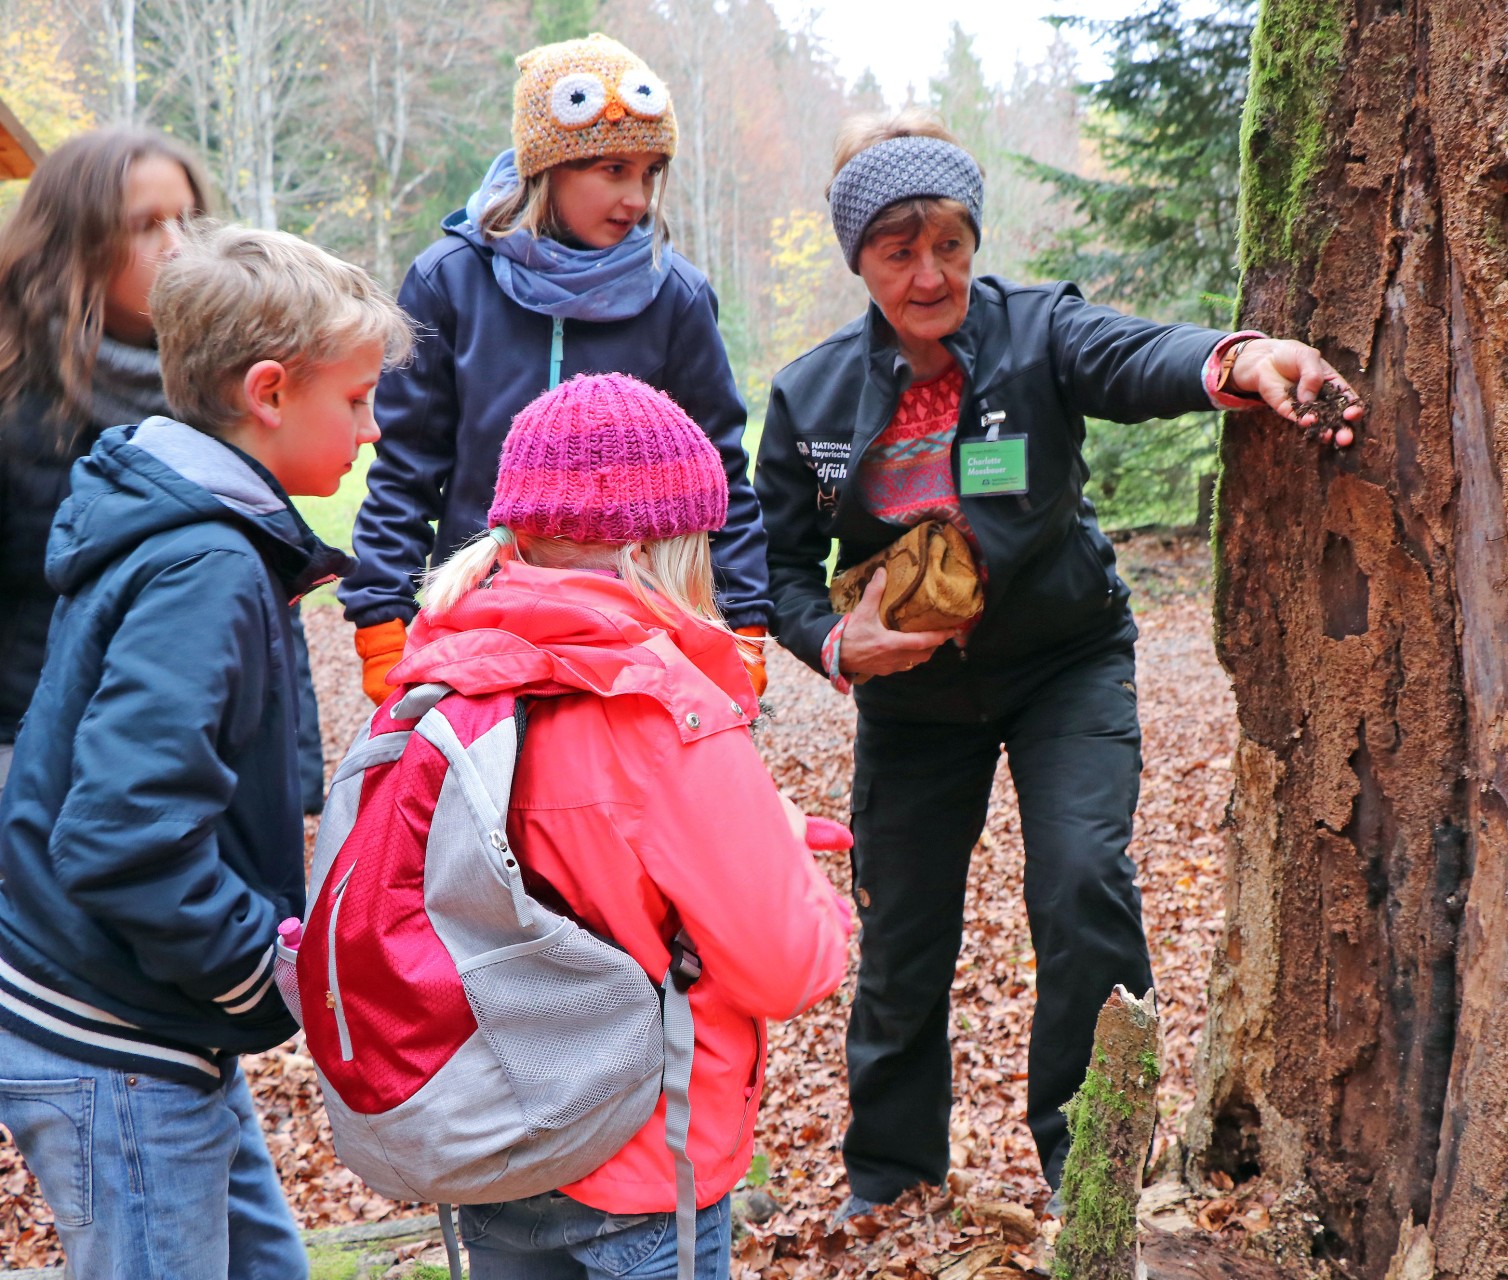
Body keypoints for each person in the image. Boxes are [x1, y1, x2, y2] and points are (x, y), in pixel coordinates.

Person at [752, 110, 1367, 1216]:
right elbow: (779, 566)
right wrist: (838, 644)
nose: (930, 273)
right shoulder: (813, 396)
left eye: (950, 243)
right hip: (914, 699)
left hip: (1063, 663)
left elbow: (1135, 356)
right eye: (899, 250)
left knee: (1082, 880)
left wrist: (1239, 358)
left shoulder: (1037, 333)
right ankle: (889, 1179)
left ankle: (1089, 1168)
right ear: (859, 260)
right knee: (903, 931)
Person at [0, 222, 413, 1279]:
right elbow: (124, 832)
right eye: (356, 399)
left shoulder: (192, 528)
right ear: (269, 392)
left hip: (158, 1019)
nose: (372, 432)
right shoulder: (205, 566)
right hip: (114, 1029)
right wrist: (258, 968)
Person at [387, 372, 852, 1279]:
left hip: (494, 1140)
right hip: (641, 1166)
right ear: (651, 550)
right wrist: (799, 876)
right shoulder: (667, 717)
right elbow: (790, 965)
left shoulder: (442, 679)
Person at [342, 31, 774, 706]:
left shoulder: (677, 297)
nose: (637, 197)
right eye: (613, 169)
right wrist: (382, 620)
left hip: (637, 643)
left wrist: (742, 626)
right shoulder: (448, 282)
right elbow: (405, 470)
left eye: (650, 173)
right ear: (547, 166)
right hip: (479, 632)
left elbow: (720, 474)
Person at [0, 127, 330, 808]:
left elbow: (273, 586)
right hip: (28, 768)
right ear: (73, 243)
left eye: (186, 219)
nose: (177, 245)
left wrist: (294, 780)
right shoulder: (11, 400)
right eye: (145, 225)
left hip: (196, 768)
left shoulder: (226, 393)